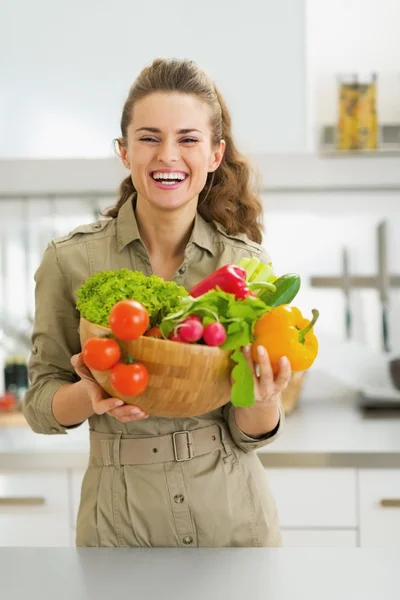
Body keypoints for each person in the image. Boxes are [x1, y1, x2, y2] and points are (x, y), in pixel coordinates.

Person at [23, 57, 291, 548]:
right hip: (119, 529)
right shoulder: (70, 260)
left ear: (214, 154)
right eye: (149, 138)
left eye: (188, 139)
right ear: (125, 153)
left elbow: (252, 431)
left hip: (232, 524)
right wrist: (92, 395)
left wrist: (266, 397)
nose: (168, 155)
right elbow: (40, 405)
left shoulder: (247, 266)